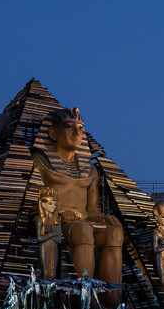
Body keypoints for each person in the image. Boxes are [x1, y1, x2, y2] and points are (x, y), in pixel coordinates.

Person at [31, 107, 123, 296]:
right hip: (58, 225)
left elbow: (91, 210)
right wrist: (58, 214)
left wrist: (103, 218)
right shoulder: (39, 163)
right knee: (82, 229)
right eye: (69, 126)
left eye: (81, 128)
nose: (77, 133)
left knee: (114, 233)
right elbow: (30, 204)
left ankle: (111, 300)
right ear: (53, 133)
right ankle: (86, 298)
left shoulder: (90, 171)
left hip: (83, 222)